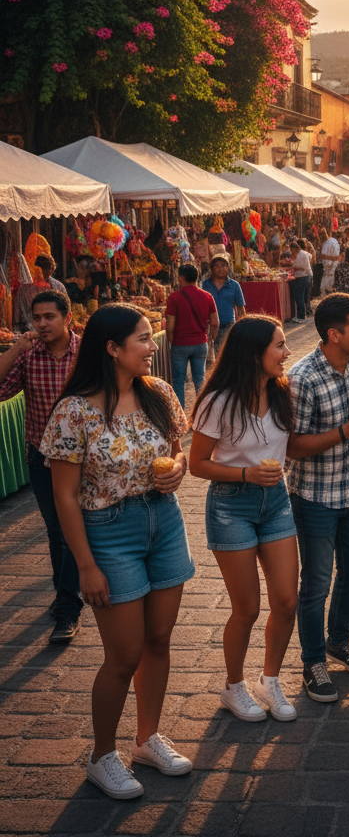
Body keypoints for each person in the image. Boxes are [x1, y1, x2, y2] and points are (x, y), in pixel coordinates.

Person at [40, 304, 193, 799]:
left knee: (159, 640)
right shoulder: (75, 411)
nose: (152, 346)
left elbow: (177, 452)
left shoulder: (159, 393)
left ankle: (147, 739)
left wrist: (178, 470)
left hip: (164, 521)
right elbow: (64, 496)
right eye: (143, 339)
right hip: (108, 531)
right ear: (111, 348)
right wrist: (85, 566)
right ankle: (101, 756)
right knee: (124, 655)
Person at [190, 316, 299, 723]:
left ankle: (269, 680)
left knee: (286, 600)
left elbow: (292, 445)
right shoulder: (218, 401)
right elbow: (197, 464)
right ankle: (233, 686)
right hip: (230, 504)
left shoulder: (282, 391)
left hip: (276, 501)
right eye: (279, 345)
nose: (286, 353)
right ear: (255, 354)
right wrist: (245, 474)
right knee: (247, 607)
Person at [286, 294, 349, 702]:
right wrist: (344, 432)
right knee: (316, 584)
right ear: (334, 334)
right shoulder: (302, 378)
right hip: (315, 497)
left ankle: (338, 642)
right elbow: (293, 446)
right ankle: (312, 662)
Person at [0, 290, 82, 643]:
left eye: (49, 317)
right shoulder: (29, 355)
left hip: (81, 460)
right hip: (41, 457)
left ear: (67, 318)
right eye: (37, 318)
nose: (42, 324)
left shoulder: (88, 354)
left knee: (71, 531)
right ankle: (66, 597)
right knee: (57, 532)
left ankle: (68, 604)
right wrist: (15, 349)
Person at [165, 263, 219, 408]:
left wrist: (172, 341)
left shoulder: (174, 297)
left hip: (180, 344)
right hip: (200, 344)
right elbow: (215, 322)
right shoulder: (207, 296)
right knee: (200, 380)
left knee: (178, 381)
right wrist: (211, 339)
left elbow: (170, 325)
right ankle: (202, 412)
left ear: (181, 278)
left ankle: (181, 414)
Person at [202, 254, 246, 356]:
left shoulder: (234, 285)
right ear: (212, 268)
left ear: (228, 267)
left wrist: (243, 326)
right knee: (209, 357)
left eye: (223, 265)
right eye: (217, 266)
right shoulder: (205, 285)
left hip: (227, 326)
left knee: (225, 355)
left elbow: (240, 308)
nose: (221, 269)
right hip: (209, 326)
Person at [284, 241, 312, 324]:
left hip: (302, 277)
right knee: (299, 296)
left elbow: (302, 267)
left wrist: (294, 267)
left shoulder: (301, 255)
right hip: (304, 276)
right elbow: (310, 256)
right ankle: (301, 314)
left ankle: (301, 316)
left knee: (299, 296)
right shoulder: (303, 253)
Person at [320, 231, 341, 295]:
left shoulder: (329, 243)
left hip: (329, 271)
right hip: (332, 269)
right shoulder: (334, 242)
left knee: (325, 290)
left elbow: (323, 256)